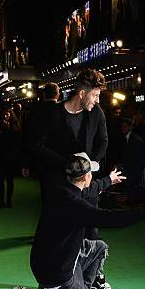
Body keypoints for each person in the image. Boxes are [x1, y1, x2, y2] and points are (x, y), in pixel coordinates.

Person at [11, 153, 145, 289]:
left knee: (99, 247)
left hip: (50, 257)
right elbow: (110, 219)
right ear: (85, 177)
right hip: (56, 271)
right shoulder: (77, 206)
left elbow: (92, 188)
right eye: (91, 173)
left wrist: (109, 180)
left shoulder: (59, 189)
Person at [29, 69, 108, 200]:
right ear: (82, 93)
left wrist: (89, 166)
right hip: (57, 183)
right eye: (95, 95)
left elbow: (103, 140)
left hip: (86, 185)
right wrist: (67, 164)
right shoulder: (52, 114)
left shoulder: (96, 112)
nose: (98, 100)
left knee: (88, 219)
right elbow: (36, 144)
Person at [0, 107, 22, 208]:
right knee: (0, 179)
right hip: (0, 155)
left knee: (10, 179)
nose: (5, 116)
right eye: (4, 114)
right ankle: (1, 201)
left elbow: (17, 141)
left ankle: (9, 200)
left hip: (10, 156)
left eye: (7, 114)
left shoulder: (15, 126)